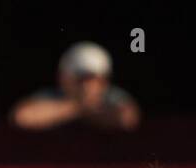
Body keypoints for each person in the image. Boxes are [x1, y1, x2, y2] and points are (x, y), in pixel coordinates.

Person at [11, 41, 139, 131]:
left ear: (103, 80)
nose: (85, 85)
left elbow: (127, 119)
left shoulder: (113, 97)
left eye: (90, 79)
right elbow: (21, 117)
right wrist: (78, 107)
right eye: (80, 79)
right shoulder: (52, 95)